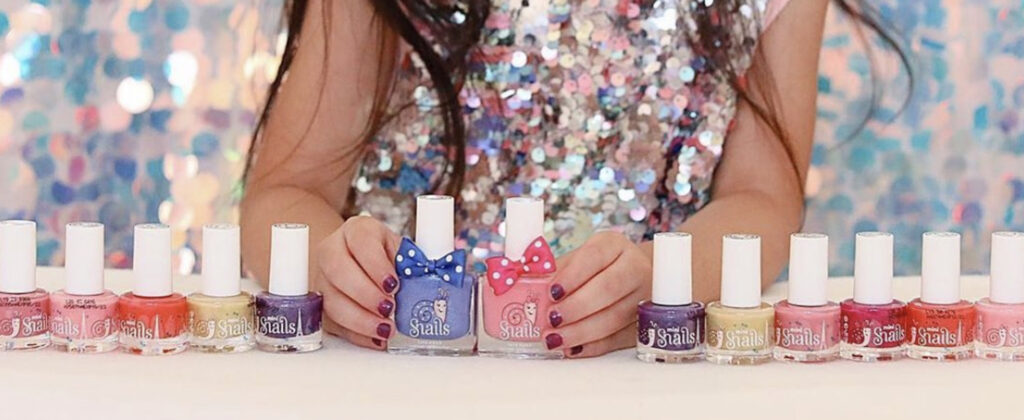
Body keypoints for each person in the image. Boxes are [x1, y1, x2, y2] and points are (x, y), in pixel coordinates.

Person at [240, 0, 906, 357]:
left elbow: (761, 198)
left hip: (634, 377)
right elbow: (287, 191)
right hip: (399, 374)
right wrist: (333, 270)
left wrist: (663, 283)